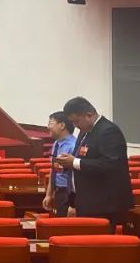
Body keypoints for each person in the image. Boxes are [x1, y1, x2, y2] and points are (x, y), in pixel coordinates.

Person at [55, 97, 133, 230]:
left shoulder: (108, 131)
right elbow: (81, 159)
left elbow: (110, 165)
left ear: (89, 115)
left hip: (105, 205)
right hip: (86, 202)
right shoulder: (84, 132)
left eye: (76, 121)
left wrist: (74, 162)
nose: (75, 126)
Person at [43, 111, 77, 217]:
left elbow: (77, 176)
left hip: (69, 194)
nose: (48, 127)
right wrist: (49, 194)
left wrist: (74, 204)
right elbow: (53, 170)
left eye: (50, 123)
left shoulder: (74, 146)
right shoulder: (56, 144)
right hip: (58, 192)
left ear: (62, 125)